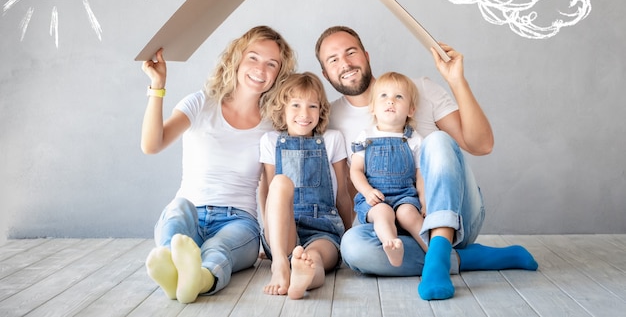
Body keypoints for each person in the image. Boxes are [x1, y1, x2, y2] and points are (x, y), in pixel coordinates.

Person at [315, 26, 538, 301]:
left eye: (351, 52)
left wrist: (457, 81)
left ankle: (442, 247)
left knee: (437, 141)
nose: (345, 63)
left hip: (453, 213)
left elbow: (481, 145)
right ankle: (456, 258)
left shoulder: (418, 89)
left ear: (366, 55)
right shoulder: (331, 117)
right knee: (352, 247)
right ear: (326, 73)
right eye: (333, 59)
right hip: (391, 225)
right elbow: (347, 185)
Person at [141, 26, 296, 303]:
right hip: (191, 213)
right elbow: (152, 145)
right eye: (253, 57)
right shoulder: (201, 103)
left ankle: (199, 279)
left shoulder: (272, 124)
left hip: (239, 223)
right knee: (176, 210)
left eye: (271, 63)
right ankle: (172, 266)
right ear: (236, 59)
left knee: (219, 247)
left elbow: (271, 191)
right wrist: (157, 86)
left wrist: (275, 248)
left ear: (278, 75)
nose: (261, 68)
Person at [259, 72, 352, 299]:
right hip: (284, 230)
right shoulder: (270, 141)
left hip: (324, 228)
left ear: (321, 110)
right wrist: (269, 235)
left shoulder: (332, 139)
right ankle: (280, 264)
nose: (304, 114)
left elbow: (343, 193)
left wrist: (349, 237)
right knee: (280, 182)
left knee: (314, 259)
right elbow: (268, 194)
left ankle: (304, 281)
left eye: (312, 106)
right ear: (282, 109)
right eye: (296, 105)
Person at [350, 72, 429, 268]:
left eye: (399, 96)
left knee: (409, 215)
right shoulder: (365, 137)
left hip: (405, 196)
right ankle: (391, 244)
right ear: (372, 108)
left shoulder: (414, 139)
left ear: (411, 109)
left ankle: (435, 253)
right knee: (382, 212)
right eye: (383, 96)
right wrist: (367, 192)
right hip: (376, 198)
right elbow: (356, 171)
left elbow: (421, 175)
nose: (390, 101)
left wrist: (424, 201)